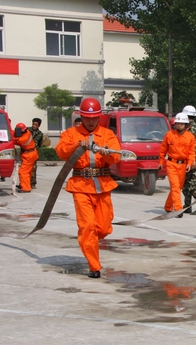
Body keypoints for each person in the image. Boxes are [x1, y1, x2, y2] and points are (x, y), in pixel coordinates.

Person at [55, 97, 121, 279]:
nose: (91, 121)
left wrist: (106, 153)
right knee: (87, 227)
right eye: (87, 117)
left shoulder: (107, 134)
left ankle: (89, 241)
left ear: (99, 117)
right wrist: (77, 145)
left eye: (94, 117)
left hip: (103, 185)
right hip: (81, 186)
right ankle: (94, 266)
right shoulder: (71, 133)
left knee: (104, 228)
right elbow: (60, 152)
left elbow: (116, 157)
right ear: (81, 117)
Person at [158, 112, 196, 216]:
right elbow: (162, 150)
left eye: (181, 123)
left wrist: (189, 163)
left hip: (183, 166)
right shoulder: (169, 135)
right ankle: (178, 209)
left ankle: (168, 206)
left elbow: (191, 152)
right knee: (175, 186)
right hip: (171, 164)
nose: (179, 125)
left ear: (186, 125)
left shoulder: (190, 137)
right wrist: (161, 162)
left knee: (178, 187)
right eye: (177, 123)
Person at [181, 105, 196, 215]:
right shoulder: (188, 127)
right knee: (186, 185)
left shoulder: (193, 128)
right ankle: (187, 206)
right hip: (186, 160)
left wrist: (193, 161)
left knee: (193, 185)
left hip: (192, 161)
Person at [12, 123, 39, 193]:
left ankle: (26, 188)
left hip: (29, 155)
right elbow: (14, 133)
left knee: (23, 172)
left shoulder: (23, 139)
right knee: (28, 171)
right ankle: (24, 184)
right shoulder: (27, 132)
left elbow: (14, 140)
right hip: (31, 153)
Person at [30, 118, 44, 189]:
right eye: (33, 124)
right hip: (26, 152)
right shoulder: (27, 131)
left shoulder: (40, 134)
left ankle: (33, 183)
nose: (34, 126)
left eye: (36, 125)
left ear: (39, 126)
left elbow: (39, 144)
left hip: (34, 152)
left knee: (34, 168)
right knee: (25, 169)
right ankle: (24, 183)